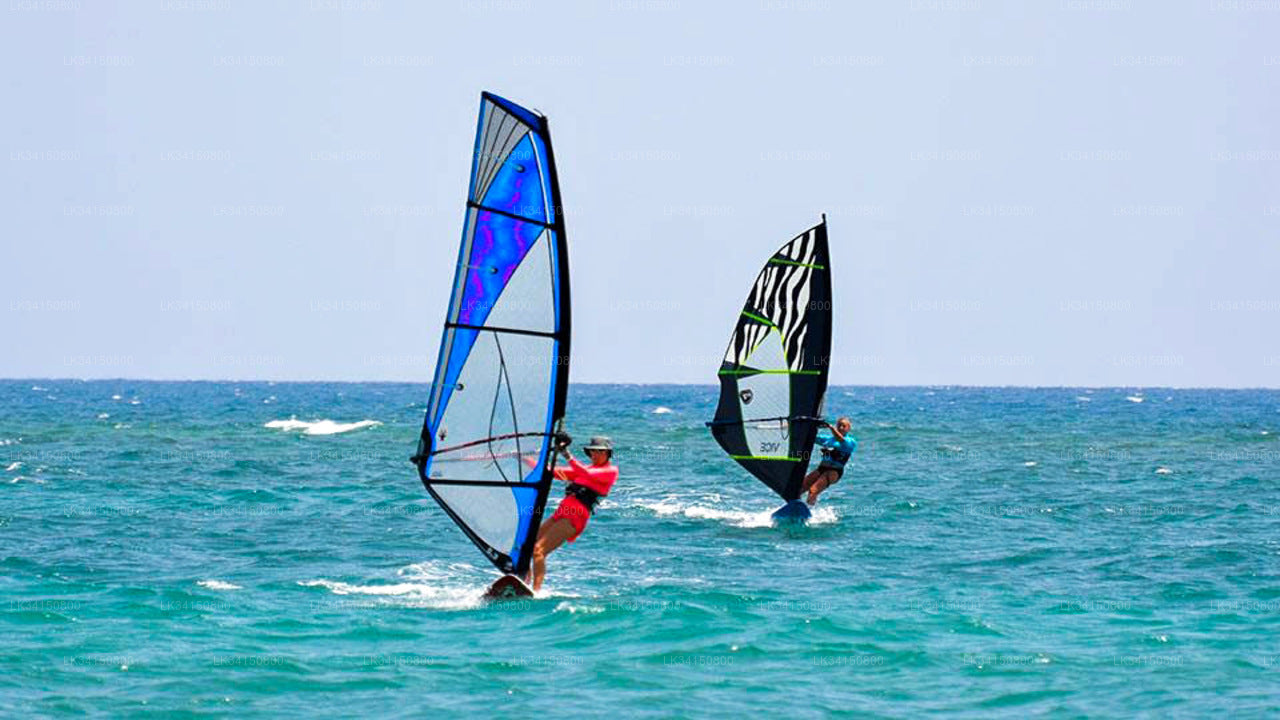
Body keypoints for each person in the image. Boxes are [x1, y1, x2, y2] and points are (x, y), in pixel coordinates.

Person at [528, 434, 618, 591]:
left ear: (608, 454)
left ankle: (535, 591)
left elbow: (586, 474)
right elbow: (552, 472)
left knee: (538, 551)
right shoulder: (585, 469)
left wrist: (566, 454)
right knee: (528, 546)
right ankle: (523, 581)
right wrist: (524, 458)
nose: (595, 455)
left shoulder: (610, 471)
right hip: (561, 512)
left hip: (575, 517)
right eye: (593, 452)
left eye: (600, 452)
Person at [802, 417, 856, 506]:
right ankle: (793, 506)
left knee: (813, 490)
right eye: (839, 425)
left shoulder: (850, 441)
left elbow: (840, 439)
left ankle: (809, 511)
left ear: (849, 428)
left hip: (834, 471)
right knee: (800, 487)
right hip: (821, 468)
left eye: (844, 426)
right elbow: (810, 437)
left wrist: (831, 428)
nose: (841, 427)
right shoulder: (827, 439)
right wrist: (811, 427)